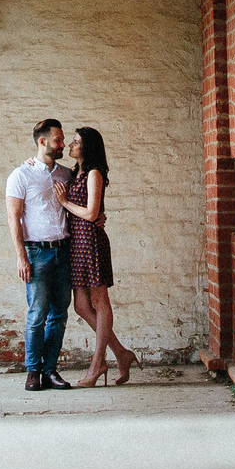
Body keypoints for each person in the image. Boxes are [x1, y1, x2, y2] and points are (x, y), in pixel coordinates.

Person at [5, 117, 74, 392]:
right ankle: (32, 372)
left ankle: (50, 370)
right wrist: (21, 256)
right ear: (42, 141)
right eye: (58, 140)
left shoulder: (65, 174)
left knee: (60, 315)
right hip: (36, 252)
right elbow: (13, 217)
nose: (63, 144)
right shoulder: (20, 175)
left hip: (64, 251)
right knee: (37, 314)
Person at [64, 126, 135, 385]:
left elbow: (92, 214)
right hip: (77, 245)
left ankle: (97, 364)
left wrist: (65, 203)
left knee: (99, 300)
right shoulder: (75, 173)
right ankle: (121, 353)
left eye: (75, 142)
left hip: (91, 241)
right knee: (81, 306)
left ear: (87, 147)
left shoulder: (94, 174)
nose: (71, 146)